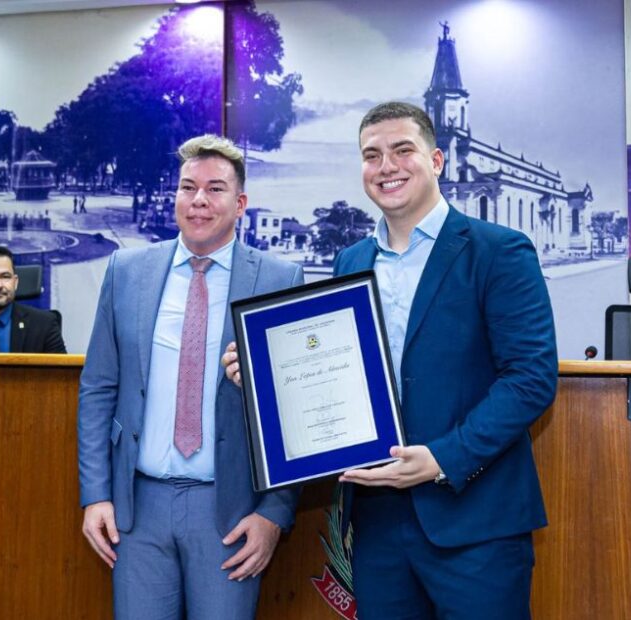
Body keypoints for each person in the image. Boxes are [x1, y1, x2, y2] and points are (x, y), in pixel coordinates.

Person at [223, 102, 558, 619]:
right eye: (371, 155)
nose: (387, 167)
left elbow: (530, 379)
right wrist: (264, 377)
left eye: (403, 151)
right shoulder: (351, 261)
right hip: (377, 523)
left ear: (438, 160)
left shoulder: (499, 251)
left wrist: (444, 458)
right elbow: (338, 376)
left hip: (474, 521)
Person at [78, 134, 303, 620]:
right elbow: (99, 389)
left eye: (215, 189)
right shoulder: (127, 270)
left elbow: (293, 412)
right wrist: (95, 495)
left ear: (240, 203)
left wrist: (273, 514)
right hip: (136, 510)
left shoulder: (279, 279)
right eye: (187, 187)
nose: (199, 200)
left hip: (229, 512)